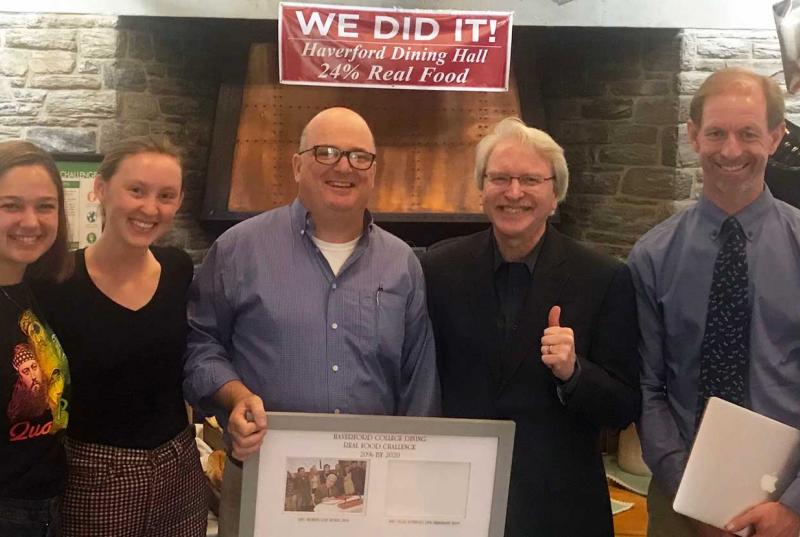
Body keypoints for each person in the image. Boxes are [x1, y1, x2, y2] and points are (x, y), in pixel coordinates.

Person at [184, 106, 440, 536]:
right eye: (326, 152)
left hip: (373, 492)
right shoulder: (237, 250)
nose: (344, 166)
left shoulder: (403, 264)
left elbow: (419, 381)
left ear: (374, 172)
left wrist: (411, 477)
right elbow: (199, 344)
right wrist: (235, 396)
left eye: (359, 156)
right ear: (297, 164)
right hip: (263, 476)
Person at [422, 117, 640, 537]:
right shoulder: (439, 268)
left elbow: (625, 406)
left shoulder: (603, 277)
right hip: (458, 501)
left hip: (561, 510)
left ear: (555, 194)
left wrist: (575, 374)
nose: (514, 192)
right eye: (500, 178)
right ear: (481, 189)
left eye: (530, 180)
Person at [629, 67, 800, 537]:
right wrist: (693, 494)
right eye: (716, 133)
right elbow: (650, 388)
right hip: (680, 503)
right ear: (692, 136)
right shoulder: (652, 256)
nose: (730, 151)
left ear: (775, 136)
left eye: (748, 134)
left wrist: (792, 506)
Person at [38, 137, 208, 536]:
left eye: (166, 195)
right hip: (92, 476)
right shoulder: (55, 282)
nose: (150, 208)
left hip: (179, 469)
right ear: (100, 189)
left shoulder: (179, 269)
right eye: (136, 190)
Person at [0, 140, 72, 537]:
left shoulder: (29, 290)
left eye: (45, 206)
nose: (31, 221)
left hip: (42, 505)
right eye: (11, 205)